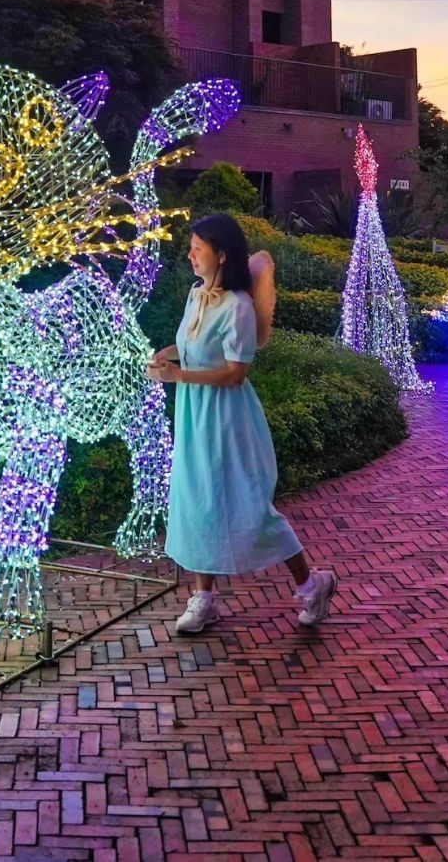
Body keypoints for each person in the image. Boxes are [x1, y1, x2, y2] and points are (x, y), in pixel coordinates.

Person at [146, 213, 337, 634]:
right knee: (198, 501)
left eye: (199, 248)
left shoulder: (238, 306)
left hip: (228, 419)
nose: (191, 255)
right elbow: (187, 344)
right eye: (191, 246)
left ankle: (312, 585)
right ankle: (204, 598)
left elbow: (235, 373)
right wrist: (164, 356)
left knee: (250, 508)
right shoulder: (197, 295)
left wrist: (181, 378)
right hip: (195, 415)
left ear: (222, 255)